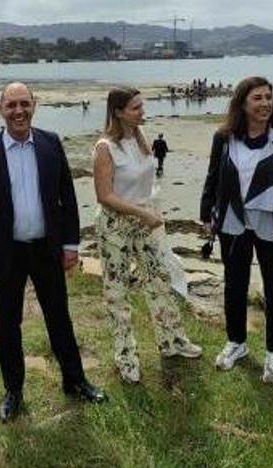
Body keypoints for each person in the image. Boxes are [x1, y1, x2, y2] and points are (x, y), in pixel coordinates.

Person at [0, 82, 107, 422]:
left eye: (24, 104)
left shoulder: (49, 143)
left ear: (35, 105)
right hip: (6, 254)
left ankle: (75, 380)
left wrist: (71, 245)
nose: (19, 111)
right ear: (0, 108)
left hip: (47, 249)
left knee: (59, 317)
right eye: (11, 104)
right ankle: (13, 390)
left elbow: (67, 197)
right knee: (9, 324)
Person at [200, 76, 273, 386]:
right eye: (257, 98)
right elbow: (213, 177)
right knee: (234, 286)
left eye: (268, 98)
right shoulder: (223, 138)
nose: (265, 103)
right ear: (242, 103)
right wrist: (206, 213)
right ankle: (236, 343)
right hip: (233, 222)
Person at [93, 87, 202, 383]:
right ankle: (126, 356)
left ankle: (172, 342)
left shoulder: (140, 139)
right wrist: (142, 213)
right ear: (117, 111)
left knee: (159, 283)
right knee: (117, 293)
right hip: (115, 227)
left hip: (145, 224)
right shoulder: (105, 147)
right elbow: (104, 195)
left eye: (142, 106)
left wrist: (153, 210)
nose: (142, 111)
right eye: (135, 108)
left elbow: (146, 185)